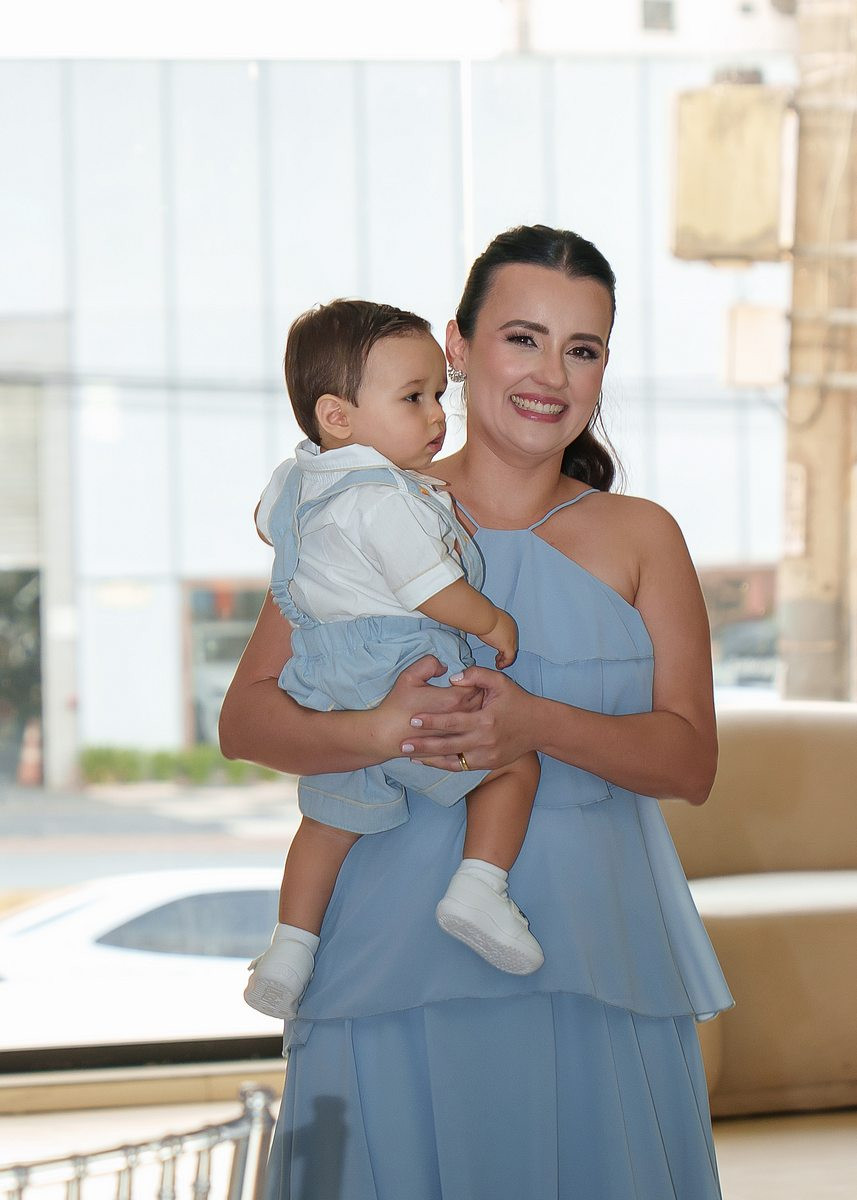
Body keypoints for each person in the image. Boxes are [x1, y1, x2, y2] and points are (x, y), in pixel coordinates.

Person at [220, 224, 733, 1199]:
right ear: (455, 348)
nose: (550, 374)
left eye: (581, 349)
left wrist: (534, 725)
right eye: (521, 338)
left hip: (595, 953)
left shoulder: (641, 535)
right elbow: (244, 721)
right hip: (384, 956)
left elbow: (688, 763)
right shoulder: (360, 511)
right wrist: (374, 732)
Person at [244, 299, 543, 1021]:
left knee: (328, 823)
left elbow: (266, 528)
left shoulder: (298, 480)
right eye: (413, 398)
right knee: (511, 765)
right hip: (402, 666)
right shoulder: (384, 499)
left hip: (324, 679)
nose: (437, 414)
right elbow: (430, 589)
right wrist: (493, 620)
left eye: (438, 394)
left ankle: (289, 949)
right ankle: (479, 888)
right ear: (338, 417)